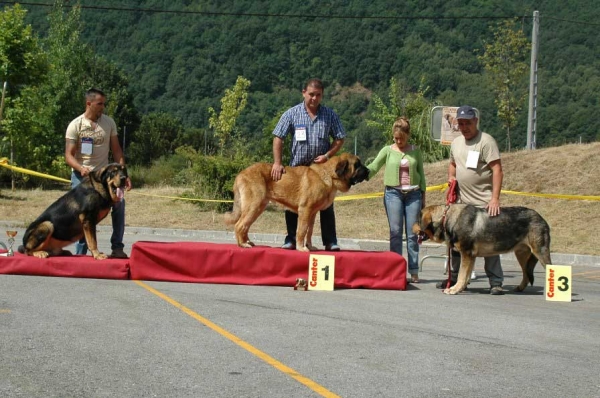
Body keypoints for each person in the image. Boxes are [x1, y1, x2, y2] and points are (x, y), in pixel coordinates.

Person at [270, 78, 346, 251]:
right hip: (297, 168)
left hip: (321, 170)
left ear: (322, 95)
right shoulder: (291, 113)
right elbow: (278, 137)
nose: (314, 98)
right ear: (303, 92)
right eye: (311, 94)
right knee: (292, 205)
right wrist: (277, 162)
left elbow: (340, 138)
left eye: (318, 95)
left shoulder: (330, 115)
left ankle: (330, 241)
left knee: (325, 205)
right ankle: (291, 240)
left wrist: (327, 155)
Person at [436, 105, 505, 295]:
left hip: (484, 204)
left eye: (468, 123)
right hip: (461, 205)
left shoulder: (486, 142)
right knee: (456, 243)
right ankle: (455, 278)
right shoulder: (456, 143)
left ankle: (496, 282)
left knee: (489, 243)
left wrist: (495, 199)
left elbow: (497, 170)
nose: (464, 127)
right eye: (461, 123)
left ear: (476, 121)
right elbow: (452, 165)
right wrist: (451, 179)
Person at [65, 88, 131, 258]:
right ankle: (81, 252)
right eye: (100, 103)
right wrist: (80, 168)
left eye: (104, 103)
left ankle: (117, 247)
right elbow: (68, 155)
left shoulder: (109, 123)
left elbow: (117, 151)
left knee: (119, 204)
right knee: (84, 212)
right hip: (83, 177)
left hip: (104, 178)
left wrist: (124, 175)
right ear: (89, 103)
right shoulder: (75, 125)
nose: (103, 107)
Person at [366, 117, 426, 283]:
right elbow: (374, 166)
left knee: (413, 234)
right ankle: (396, 269)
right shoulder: (388, 150)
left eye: (401, 138)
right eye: (396, 138)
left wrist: (423, 197)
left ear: (408, 135)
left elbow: (422, 175)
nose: (398, 141)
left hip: (414, 194)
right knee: (395, 232)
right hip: (393, 194)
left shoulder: (416, 151)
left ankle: (413, 271)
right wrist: (361, 173)